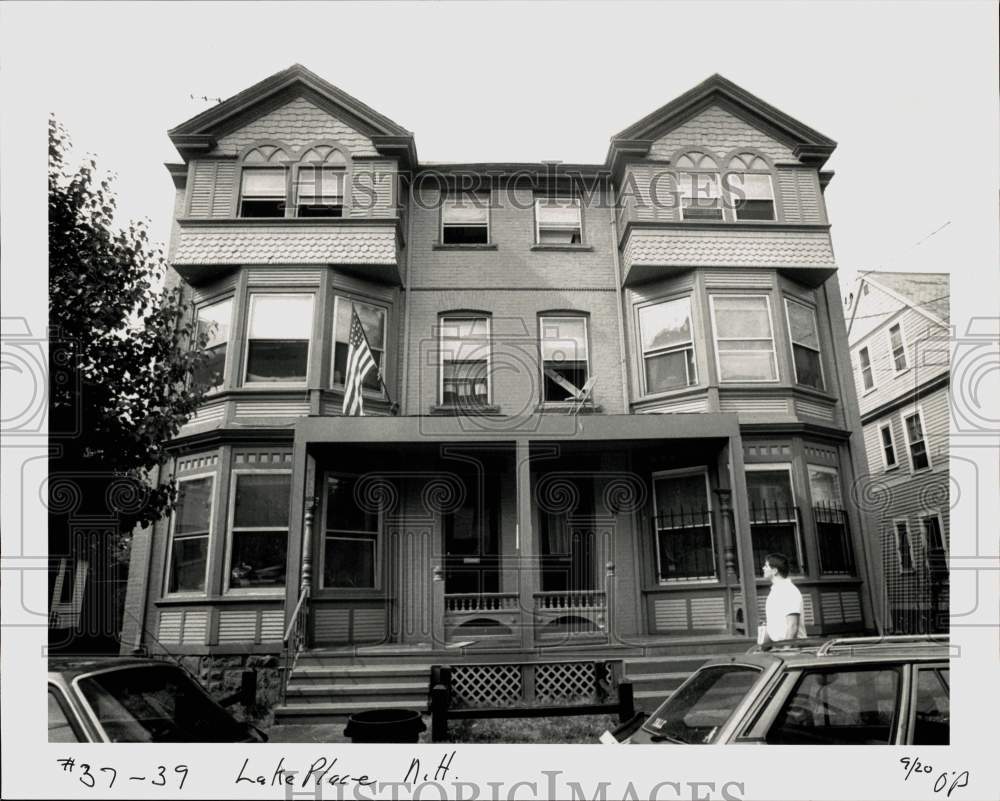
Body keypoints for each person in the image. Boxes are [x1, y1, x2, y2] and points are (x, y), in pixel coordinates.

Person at [759, 552, 807, 643]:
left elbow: (792, 626)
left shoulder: (788, 591)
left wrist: (786, 649)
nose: (763, 568)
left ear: (775, 571)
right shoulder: (775, 591)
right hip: (778, 646)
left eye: (766, 566)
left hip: (793, 648)